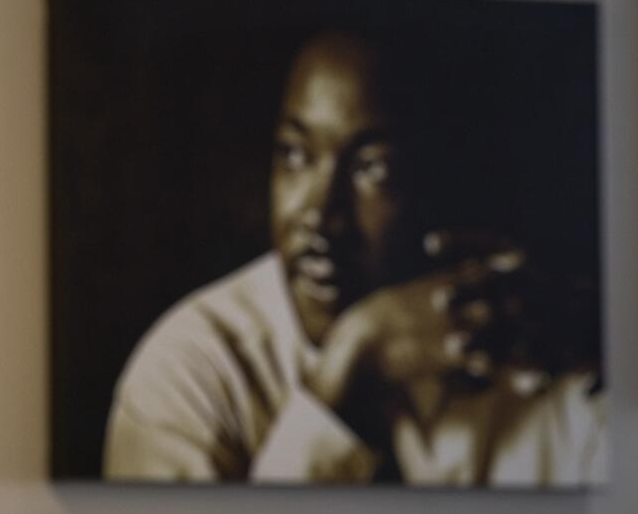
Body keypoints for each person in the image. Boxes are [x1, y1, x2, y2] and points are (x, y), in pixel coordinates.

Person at [103, 31, 605, 485]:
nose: (320, 213)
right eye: (296, 154)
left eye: (372, 167)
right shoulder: (189, 373)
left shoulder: (532, 352)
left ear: (437, 180)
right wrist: (347, 372)